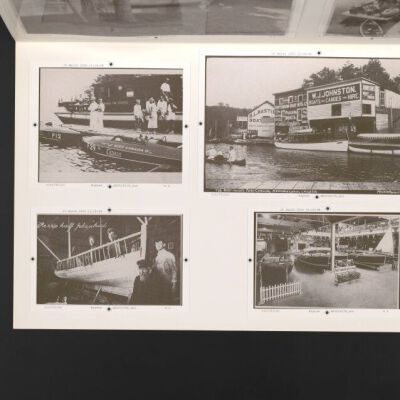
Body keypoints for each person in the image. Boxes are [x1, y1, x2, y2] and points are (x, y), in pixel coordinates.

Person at [154, 237, 179, 304]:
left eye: (159, 243)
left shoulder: (169, 255)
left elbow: (174, 270)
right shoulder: (157, 257)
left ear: (164, 244)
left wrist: (174, 284)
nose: (157, 245)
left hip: (168, 283)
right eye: (156, 243)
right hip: (158, 283)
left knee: (167, 301)